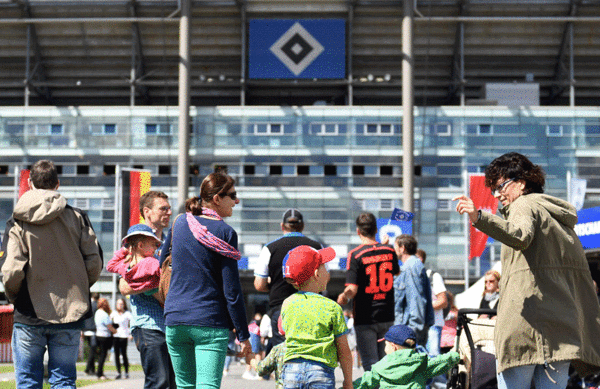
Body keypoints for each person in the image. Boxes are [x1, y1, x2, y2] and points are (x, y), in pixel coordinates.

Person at [454, 151, 600, 389]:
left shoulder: (523, 206)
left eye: (501, 186)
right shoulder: (560, 221)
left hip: (525, 325)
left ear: (521, 183)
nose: (497, 194)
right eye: (494, 189)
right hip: (560, 328)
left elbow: (519, 236)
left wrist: (478, 216)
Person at [0, 159, 103, 388]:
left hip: (28, 312)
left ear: (29, 183)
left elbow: (11, 270)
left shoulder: (17, 221)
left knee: (27, 382)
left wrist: (15, 297)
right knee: (64, 380)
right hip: (69, 311)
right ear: (57, 184)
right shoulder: (77, 217)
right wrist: (79, 289)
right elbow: (94, 262)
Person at [163, 172, 252, 388]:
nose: (236, 201)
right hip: (209, 321)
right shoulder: (225, 232)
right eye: (232, 195)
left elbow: (161, 262)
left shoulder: (180, 222)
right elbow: (231, 291)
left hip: (175, 320)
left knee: (184, 386)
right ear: (217, 199)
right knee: (207, 386)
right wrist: (243, 334)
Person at [119, 190, 175, 389]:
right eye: (163, 209)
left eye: (169, 208)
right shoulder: (136, 244)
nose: (169, 212)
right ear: (147, 212)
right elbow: (124, 285)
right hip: (149, 324)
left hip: (175, 325)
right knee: (158, 382)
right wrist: (154, 289)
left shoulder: (173, 243)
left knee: (175, 384)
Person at [280, 245, 353, 389]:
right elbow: (343, 349)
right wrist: (348, 381)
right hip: (320, 371)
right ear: (316, 273)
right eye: (325, 267)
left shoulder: (287, 304)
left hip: (291, 370)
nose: (328, 271)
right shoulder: (332, 307)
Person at [336, 212, 400, 373]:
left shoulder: (355, 255)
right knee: (387, 363)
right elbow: (396, 272)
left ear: (358, 231)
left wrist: (343, 296)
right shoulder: (389, 251)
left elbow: (352, 289)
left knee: (371, 365)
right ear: (376, 229)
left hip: (365, 318)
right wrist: (384, 246)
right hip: (387, 314)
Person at [254, 208, 324, 351]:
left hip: (281, 308)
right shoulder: (316, 247)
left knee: (284, 354)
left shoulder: (269, 248)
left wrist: (273, 285)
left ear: (282, 226)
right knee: (309, 350)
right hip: (311, 306)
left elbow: (259, 285)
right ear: (302, 226)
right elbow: (323, 279)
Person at [352, 324, 460, 389]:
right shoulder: (422, 363)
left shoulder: (380, 367)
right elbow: (442, 361)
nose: (384, 349)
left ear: (393, 347)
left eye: (386, 345)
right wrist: (456, 356)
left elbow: (363, 383)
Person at [392, 234, 434, 347]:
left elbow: (416, 298)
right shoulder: (412, 265)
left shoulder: (411, 266)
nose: (394, 249)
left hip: (410, 328)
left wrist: (413, 328)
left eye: (395, 246)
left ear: (402, 248)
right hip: (411, 326)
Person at [108, 223, 163, 302]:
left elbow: (110, 266)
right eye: (154, 244)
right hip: (158, 299)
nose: (156, 248)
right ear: (140, 245)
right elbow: (165, 274)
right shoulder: (150, 262)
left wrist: (125, 249)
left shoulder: (125, 265)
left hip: (139, 305)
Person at [416, 249, 448, 357]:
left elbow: (443, 301)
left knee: (433, 358)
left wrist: (423, 308)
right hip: (416, 326)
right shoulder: (410, 276)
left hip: (432, 325)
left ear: (419, 259)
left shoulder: (433, 276)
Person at [95, 297, 117, 380]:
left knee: (101, 355)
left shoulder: (97, 312)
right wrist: (115, 331)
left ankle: (99, 372)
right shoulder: (104, 314)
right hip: (104, 336)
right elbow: (109, 326)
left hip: (98, 335)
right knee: (103, 356)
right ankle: (100, 373)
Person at [111, 297, 133, 379]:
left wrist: (131, 334)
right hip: (116, 336)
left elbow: (132, 323)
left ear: (124, 305)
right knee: (116, 354)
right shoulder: (113, 313)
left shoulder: (127, 314)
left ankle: (126, 372)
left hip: (124, 335)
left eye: (121, 304)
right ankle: (118, 372)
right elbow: (109, 323)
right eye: (118, 304)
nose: (120, 305)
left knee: (124, 354)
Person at [243, 312, 264, 380]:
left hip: (253, 338)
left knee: (256, 354)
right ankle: (254, 372)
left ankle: (250, 372)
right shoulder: (258, 323)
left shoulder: (251, 323)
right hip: (255, 338)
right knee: (256, 355)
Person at [83, 292, 100, 376]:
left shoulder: (87, 305)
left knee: (91, 350)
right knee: (92, 351)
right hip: (93, 330)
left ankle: (92, 369)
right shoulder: (97, 306)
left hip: (86, 330)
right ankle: (87, 368)